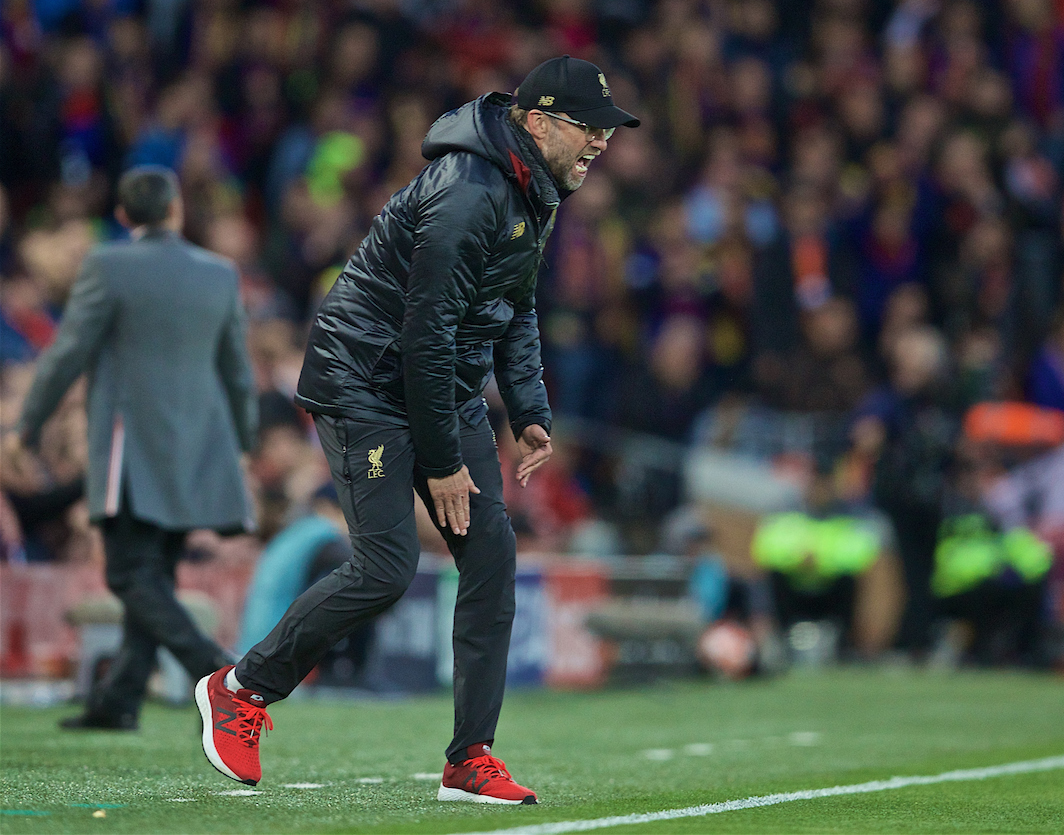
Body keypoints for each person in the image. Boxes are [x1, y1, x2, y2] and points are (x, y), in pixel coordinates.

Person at [194, 56, 639, 804]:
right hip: (365, 382)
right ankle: (239, 688)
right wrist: (440, 461)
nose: (601, 142)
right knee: (387, 566)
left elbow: (514, 304)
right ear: (537, 122)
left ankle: (471, 759)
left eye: (606, 130)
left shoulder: (538, 187)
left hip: (438, 382)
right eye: (589, 127)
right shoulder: (470, 192)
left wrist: (529, 411)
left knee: (492, 553)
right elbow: (424, 333)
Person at [5, 166, 257, 729]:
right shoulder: (219, 274)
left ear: (122, 217)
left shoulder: (107, 265)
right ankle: (118, 700)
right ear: (175, 210)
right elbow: (238, 373)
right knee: (156, 573)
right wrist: (241, 445)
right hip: (197, 447)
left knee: (126, 574)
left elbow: (67, 352)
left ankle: (217, 673)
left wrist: (25, 428)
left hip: (131, 448)